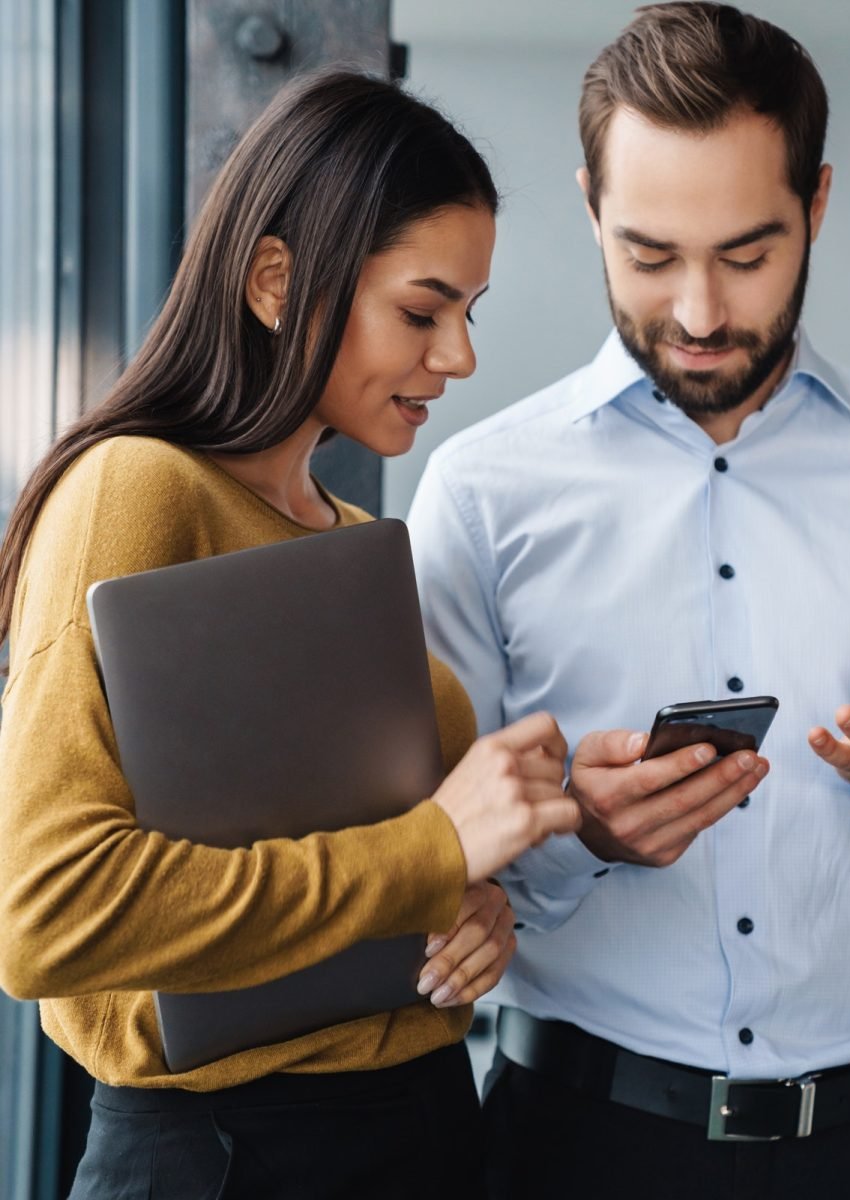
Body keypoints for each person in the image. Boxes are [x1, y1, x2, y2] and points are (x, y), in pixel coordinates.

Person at [406, 4, 850, 1197]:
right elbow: (424, 885)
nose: (697, 314)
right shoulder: (478, 496)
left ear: (815, 206)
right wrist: (583, 837)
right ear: (588, 210)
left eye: (745, 254)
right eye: (648, 253)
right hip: (566, 1148)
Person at [0, 68, 581, 1199]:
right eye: (422, 311)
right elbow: (47, 911)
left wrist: (473, 915)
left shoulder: (354, 539)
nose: (458, 357)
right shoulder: (134, 489)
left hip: (421, 1122)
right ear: (277, 279)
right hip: (232, 1155)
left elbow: (380, 870)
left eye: (469, 314)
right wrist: (427, 858)